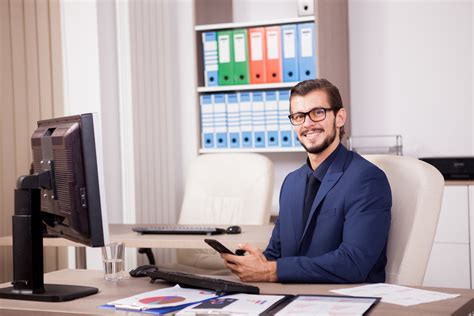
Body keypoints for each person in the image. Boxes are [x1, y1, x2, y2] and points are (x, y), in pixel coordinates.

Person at [222, 79, 392, 283]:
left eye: (318, 112)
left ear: (340, 117)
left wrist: (270, 270)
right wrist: (258, 261)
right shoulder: (291, 183)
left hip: (347, 302)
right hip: (294, 298)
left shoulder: (366, 179)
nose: (308, 123)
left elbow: (353, 263)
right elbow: (278, 254)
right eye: (299, 116)